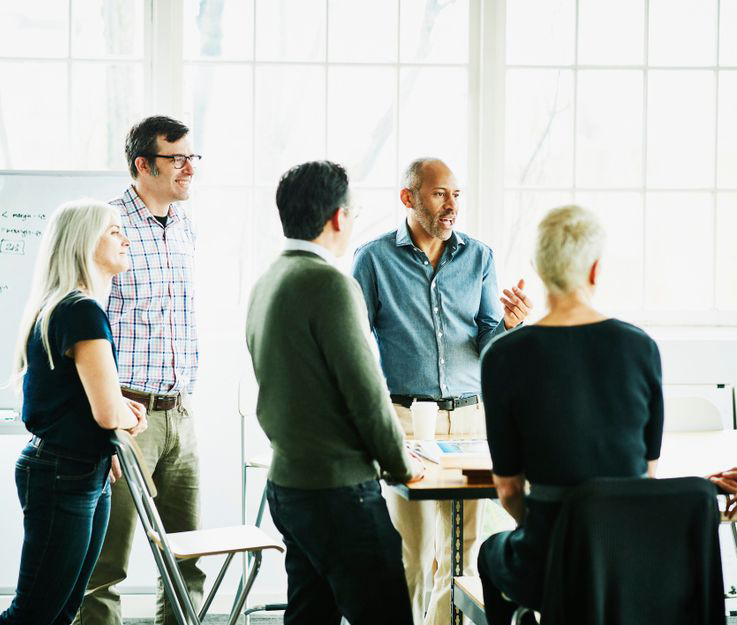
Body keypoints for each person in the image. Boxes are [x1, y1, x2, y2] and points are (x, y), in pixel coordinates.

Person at [351, 157, 531, 624]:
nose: (451, 205)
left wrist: (509, 325)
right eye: (439, 194)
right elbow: (354, 341)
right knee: (412, 548)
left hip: (470, 419)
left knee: (462, 552)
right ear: (408, 198)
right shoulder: (373, 259)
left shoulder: (479, 257)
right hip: (406, 419)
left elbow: (488, 343)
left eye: (456, 194)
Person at [245, 160, 425, 625]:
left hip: (288, 486)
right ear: (339, 217)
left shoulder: (268, 280)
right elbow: (367, 395)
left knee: (309, 614)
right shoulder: (328, 284)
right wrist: (402, 465)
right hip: (337, 491)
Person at [477, 205, 664, 624]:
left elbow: (508, 491)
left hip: (547, 557)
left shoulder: (504, 356)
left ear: (539, 271)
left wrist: (564, 537)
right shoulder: (641, 347)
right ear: (595, 270)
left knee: (490, 553)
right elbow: (646, 475)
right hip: (625, 560)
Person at [0, 199, 148, 625]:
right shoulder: (80, 310)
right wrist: (130, 415)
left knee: (60, 611)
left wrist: (117, 411)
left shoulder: (70, 307)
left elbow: (90, 400)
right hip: (63, 474)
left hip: (81, 470)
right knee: (34, 613)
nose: (125, 239)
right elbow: (106, 413)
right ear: (84, 242)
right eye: (114, 231)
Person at [74, 116, 204, 625]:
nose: (190, 168)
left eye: (193, 157)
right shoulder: (107, 227)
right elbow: (86, 326)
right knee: (106, 565)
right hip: (126, 413)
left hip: (181, 414)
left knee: (187, 558)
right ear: (142, 165)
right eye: (178, 159)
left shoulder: (187, 225)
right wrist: (104, 424)